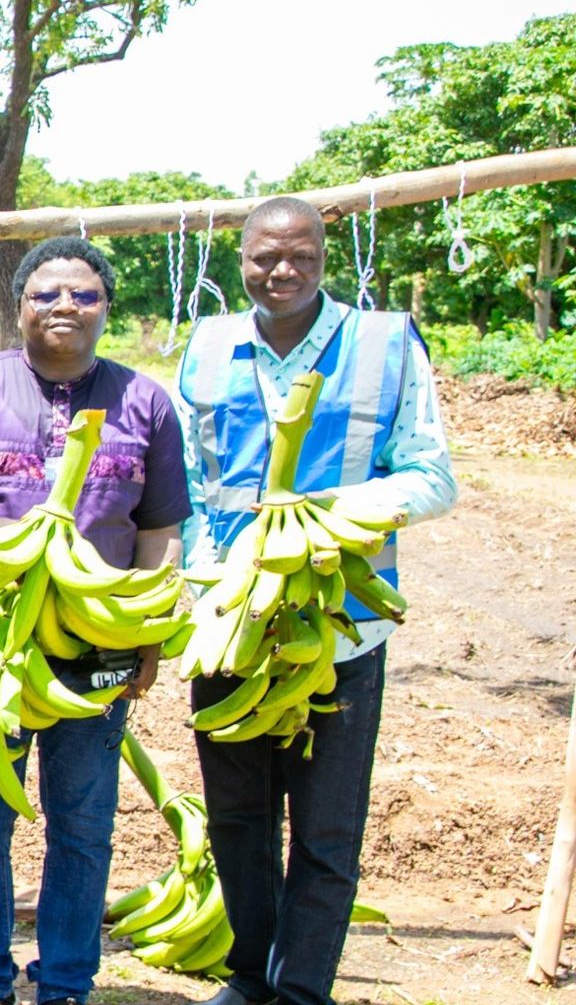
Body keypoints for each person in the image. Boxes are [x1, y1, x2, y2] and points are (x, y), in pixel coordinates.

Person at [173, 197, 457, 1005]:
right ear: (242, 261)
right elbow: (191, 482)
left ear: (325, 257)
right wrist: (208, 579)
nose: (282, 271)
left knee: (326, 830)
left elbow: (434, 476)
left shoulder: (384, 344)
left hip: (343, 627)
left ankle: (303, 990)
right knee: (236, 815)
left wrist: (318, 523)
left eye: (299, 254)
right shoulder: (208, 345)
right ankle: (249, 976)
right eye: (265, 256)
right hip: (230, 620)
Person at [0, 236, 188, 1005]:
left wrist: (148, 630)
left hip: (95, 639)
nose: (65, 306)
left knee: (84, 821)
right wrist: (19, 539)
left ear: (106, 309)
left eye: (84, 295)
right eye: (47, 294)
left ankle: (65, 980)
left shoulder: (146, 401)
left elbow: (160, 528)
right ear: (17, 306)